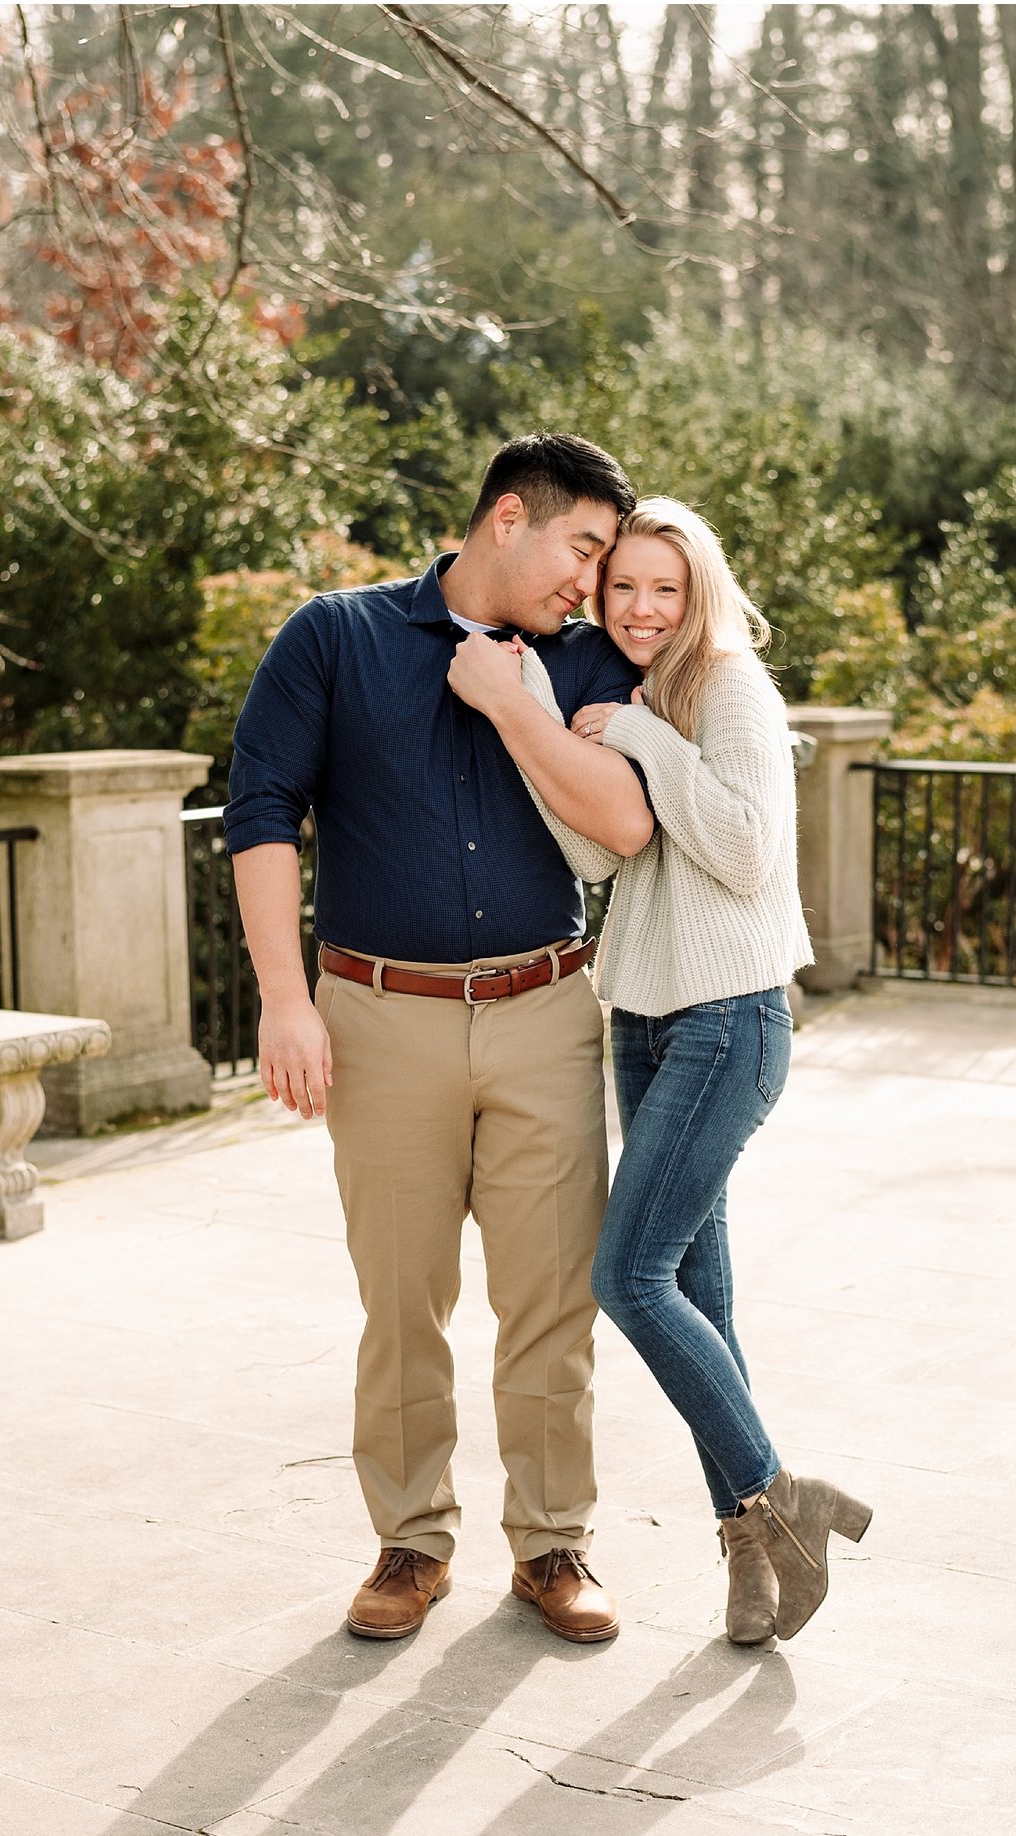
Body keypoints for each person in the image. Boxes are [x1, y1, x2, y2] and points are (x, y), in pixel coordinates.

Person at [227, 433, 651, 1646]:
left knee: (552, 1296)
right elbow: (262, 807)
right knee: (401, 1299)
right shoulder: (336, 635)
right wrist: (284, 997)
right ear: (507, 516)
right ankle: (410, 1541)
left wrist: (528, 706)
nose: (593, 582)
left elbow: (624, 827)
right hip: (380, 1018)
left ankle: (553, 1538)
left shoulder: (584, 665)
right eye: (583, 549)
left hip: (545, 1009)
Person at [457, 495, 872, 1646]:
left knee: (629, 1276)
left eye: (663, 589)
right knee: (706, 1294)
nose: (639, 608)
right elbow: (606, 850)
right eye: (621, 587)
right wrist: (543, 729)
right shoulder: (637, 696)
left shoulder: (728, 686)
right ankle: (754, 1553)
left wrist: (639, 737)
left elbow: (742, 850)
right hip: (642, 1016)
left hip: (727, 1021)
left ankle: (783, 1496)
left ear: (700, 595)